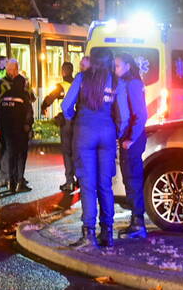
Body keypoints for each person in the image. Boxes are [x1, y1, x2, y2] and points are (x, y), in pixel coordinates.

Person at [62, 47, 130, 248]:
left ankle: (89, 233)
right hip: (107, 133)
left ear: (92, 61)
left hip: (85, 132)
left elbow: (66, 106)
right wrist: (117, 132)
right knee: (105, 185)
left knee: (88, 185)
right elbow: (124, 116)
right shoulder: (117, 82)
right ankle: (107, 233)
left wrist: (75, 119)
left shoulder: (82, 78)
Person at [116, 53, 148, 239]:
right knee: (130, 179)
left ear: (128, 66)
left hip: (132, 140)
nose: (115, 69)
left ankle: (138, 224)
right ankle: (136, 222)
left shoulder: (132, 84)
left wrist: (131, 138)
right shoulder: (129, 82)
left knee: (133, 180)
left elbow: (140, 114)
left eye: (118, 66)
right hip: (129, 138)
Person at [41, 61, 77, 193]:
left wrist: (43, 107)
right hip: (78, 121)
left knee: (67, 152)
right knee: (77, 151)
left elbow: (49, 99)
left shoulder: (61, 86)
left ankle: (69, 182)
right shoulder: (78, 84)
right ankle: (80, 179)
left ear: (63, 71)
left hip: (66, 121)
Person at [0, 74, 34, 193]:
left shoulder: (5, 95)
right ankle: (19, 182)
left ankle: (10, 182)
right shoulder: (23, 96)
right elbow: (29, 113)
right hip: (20, 130)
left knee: (10, 155)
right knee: (21, 156)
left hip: (7, 130)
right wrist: (28, 125)